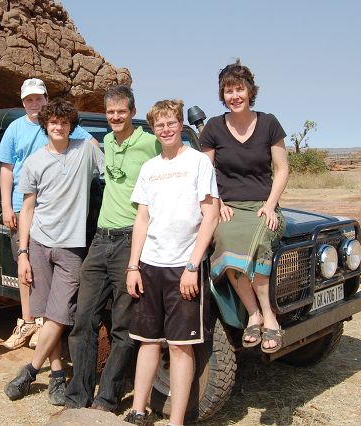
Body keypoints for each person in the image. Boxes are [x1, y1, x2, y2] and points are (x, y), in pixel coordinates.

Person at [64, 85, 161, 412]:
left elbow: (174, 168)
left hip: (129, 240)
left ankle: (108, 398)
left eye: (121, 111)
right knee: (83, 320)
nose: (115, 117)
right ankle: (79, 394)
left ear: (132, 111)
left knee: (122, 326)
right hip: (100, 239)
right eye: (110, 112)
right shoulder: (106, 140)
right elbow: (66, 128)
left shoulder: (149, 143)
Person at [123, 100, 219, 426]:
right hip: (150, 264)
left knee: (180, 347)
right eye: (160, 125)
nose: (166, 129)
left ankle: (176, 421)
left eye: (171, 123)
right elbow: (142, 218)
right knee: (147, 340)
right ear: (154, 129)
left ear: (180, 125)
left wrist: (193, 266)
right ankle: (138, 409)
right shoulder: (150, 168)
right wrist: (133, 266)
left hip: (183, 267)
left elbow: (210, 215)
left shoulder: (198, 163)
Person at [4, 98, 105, 406]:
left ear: (71, 125)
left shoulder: (85, 150)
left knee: (60, 314)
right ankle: (58, 375)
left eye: (64, 122)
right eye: (53, 122)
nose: (58, 126)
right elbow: (28, 208)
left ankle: (30, 371)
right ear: (45, 126)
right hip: (38, 243)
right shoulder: (34, 162)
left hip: (72, 246)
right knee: (48, 315)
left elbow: (113, 171)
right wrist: (22, 252)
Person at [0, 78, 95, 350]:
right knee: (25, 263)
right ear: (23, 101)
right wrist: (6, 206)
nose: (33, 103)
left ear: (46, 99)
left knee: (48, 266)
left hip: (55, 205)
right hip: (22, 203)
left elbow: (93, 146)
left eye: (38, 98)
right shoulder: (16, 128)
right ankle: (27, 320)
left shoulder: (58, 123)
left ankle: (44, 324)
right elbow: (6, 168)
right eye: (29, 99)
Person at [199, 59, 289, 353]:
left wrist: (271, 205)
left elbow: (282, 168)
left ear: (250, 91)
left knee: (261, 240)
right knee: (224, 241)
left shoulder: (269, 123)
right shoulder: (213, 127)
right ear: (222, 95)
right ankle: (254, 314)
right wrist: (219, 202)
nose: (234, 96)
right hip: (228, 208)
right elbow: (205, 172)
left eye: (239, 89)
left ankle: (270, 317)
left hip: (264, 205)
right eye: (228, 90)